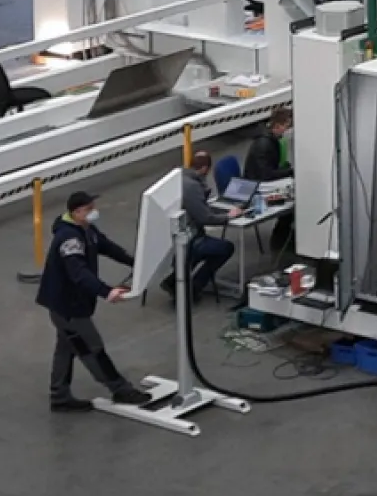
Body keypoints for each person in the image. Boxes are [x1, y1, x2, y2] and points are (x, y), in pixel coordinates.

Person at [36, 188, 154, 410]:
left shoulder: (86, 229)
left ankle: (59, 396)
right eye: (89, 209)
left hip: (68, 305)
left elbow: (107, 247)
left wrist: (136, 262)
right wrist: (106, 291)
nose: (94, 212)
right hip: (68, 307)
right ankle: (120, 389)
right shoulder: (69, 239)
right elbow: (79, 273)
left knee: (67, 348)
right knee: (92, 348)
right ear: (76, 212)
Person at [163, 149, 237, 301]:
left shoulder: (179, 177)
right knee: (226, 248)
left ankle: (173, 280)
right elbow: (204, 217)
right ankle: (195, 286)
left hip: (174, 233)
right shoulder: (192, 186)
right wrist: (227, 216)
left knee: (198, 250)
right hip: (190, 237)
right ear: (204, 169)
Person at [244, 107, 294, 183]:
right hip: (257, 183)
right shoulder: (264, 145)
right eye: (287, 127)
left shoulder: (270, 138)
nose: (288, 130)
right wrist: (290, 172)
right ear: (277, 126)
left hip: (261, 177)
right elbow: (266, 175)